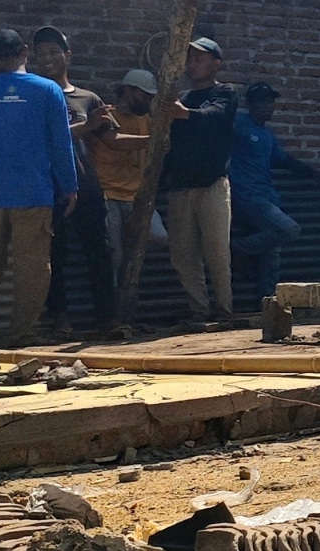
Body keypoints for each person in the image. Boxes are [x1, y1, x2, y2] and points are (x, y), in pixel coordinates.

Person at [0, 29, 77, 346]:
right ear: (25, 51)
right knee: (32, 266)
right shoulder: (48, 90)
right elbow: (60, 145)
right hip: (34, 191)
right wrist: (69, 186)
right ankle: (19, 332)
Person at [28, 26, 114, 333]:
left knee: (99, 252)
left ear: (68, 56)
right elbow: (43, 139)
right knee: (55, 256)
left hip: (86, 185)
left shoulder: (87, 97)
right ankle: (59, 319)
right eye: (41, 54)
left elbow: (112, 138)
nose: (47, 59)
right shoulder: (33, 95)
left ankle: (108, 318)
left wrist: (153, 137)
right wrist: (86, 127)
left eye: (54, 52)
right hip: (49, 188)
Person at [161, 37, 241, 322]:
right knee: (183, 255)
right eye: (190, 59)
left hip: (212, 185)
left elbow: (216, 115)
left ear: (216, 64)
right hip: (181, 186)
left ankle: (224, 308)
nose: (192, 64)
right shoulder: (180, 99)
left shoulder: (225, 93)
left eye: (199, 59)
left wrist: (187, 116)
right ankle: (199, 310)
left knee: (217, 252)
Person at [230, 82, 320, 299]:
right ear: (250, 104)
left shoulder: (267, 135)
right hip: (245, 196)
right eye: (262, 101)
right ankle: (235, 249)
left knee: (271, 253)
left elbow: (282, 160)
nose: (268, 106)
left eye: (271, 101)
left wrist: (311, 173)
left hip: (266, 197)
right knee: (289, 229)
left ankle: (267, 306)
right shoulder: (239, 123)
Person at [87, 69, 169, 301]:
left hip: (136, 195)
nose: (148, 101)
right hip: (108, 193)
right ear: (129, 91)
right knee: (113, 256)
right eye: (144, 95)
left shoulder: (147, 120)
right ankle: (112, 309)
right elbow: (115, 141)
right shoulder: (106, 115)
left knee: (159, 236)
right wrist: (152, 141)